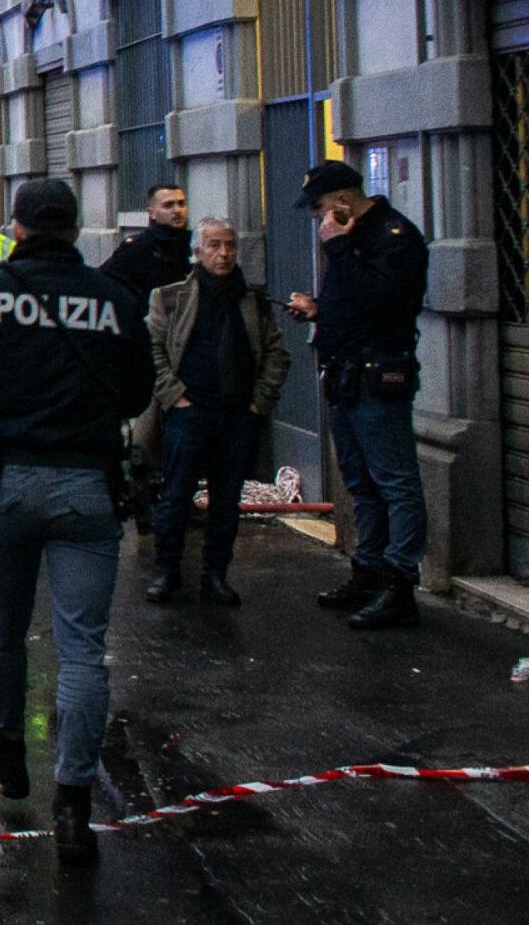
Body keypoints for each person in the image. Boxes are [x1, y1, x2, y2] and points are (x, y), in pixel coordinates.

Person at [0, 179, 150, 866]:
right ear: (75, 228)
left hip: (7, 480)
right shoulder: (111, 299)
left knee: (3, 626)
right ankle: (75, 805)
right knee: (83, 648)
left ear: (15, 226)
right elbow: (139, 390)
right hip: (87, 484)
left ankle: (8, 748)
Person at [282, 160, 430, 630]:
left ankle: (401, 583)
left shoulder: (393, 237)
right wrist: (319, 311)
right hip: (345, 375)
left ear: (344, 200)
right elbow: (354, 303)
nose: (316, 218)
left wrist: (341, 249)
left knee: (395, 483)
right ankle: (368, 573)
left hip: (377, 377)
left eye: (320, 207)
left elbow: (384, 301)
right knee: (362, 484)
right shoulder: (347, 239)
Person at [144, 218, 291, 607]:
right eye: (214, 246)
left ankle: (215, 575)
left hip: (237, 414)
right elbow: (152, 349)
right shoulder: (171, 297)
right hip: (190, 412)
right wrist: (174, 395)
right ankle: (166, 572)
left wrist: (260, 401)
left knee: (226, 501)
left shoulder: (251, 300)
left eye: (229, 246)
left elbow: (277, 354)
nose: (223, 254)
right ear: (198, 252)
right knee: (175, 495)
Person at [103, 182, 192, 302]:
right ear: (152, 213)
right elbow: (105, 283)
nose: (177, 210)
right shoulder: (137, 248)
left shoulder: (196, 243)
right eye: (168, 205)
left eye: (181, 204)